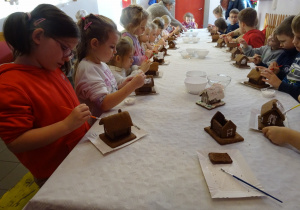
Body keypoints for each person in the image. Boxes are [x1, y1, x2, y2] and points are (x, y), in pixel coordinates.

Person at [0, 4, 91, 187]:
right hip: (55, 173)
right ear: (38, 36)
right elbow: (16, 141)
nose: (68, 57)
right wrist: (67, 124)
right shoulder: (9, 86)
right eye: (65, 48)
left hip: (77, 155)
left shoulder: (50, 65)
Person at [75, 14, 146, 124]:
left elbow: (108, 89)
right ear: (94, 43)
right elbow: (104, 103)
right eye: (112, 47)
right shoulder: (87, 68)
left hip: (111, 117)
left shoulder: (101, 63)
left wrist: (123, 84)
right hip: (100, 126)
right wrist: (132, 86)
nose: (115, 51)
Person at [260, 15, 300, 101]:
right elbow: (290, 79)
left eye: (298, 38)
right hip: (285, 98)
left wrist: (280, 84)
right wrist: (277, 72)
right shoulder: (297, 57)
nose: (294, 41)